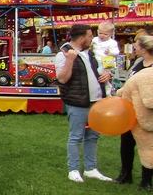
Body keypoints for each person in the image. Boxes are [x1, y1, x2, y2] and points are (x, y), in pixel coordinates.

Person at [55, 24, 113, 183]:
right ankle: (73, 169)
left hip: (96, 102)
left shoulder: (92, 53)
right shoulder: (64, 54)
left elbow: (101, 71)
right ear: (81, 38)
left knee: (93, 136)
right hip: (78, 102)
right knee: (76, 136)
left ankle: (91, 168)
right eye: (89, 36)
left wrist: (107, 75)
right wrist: (70, 61)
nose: (92, 39)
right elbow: (62, 79)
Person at [114, 32, 153, 184]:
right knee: (126, 143)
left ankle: (146, 180)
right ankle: (125, 174)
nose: (134, 47)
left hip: (146, 115)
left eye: (137, 45)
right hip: (130, 112)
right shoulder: (138, 63)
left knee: (148, 147)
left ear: (144, 49)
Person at [91, 21, 120, 96]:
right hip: (96, 60)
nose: (102, 35)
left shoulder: (112, 43)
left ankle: (107, 91)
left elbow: (117, 52)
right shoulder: (95, 40)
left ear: (111, 34)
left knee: (103, 77)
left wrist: (110, 52)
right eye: (100, 33)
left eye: (105, 34)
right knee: (96, 76)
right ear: (97, 31)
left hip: (106, 62)